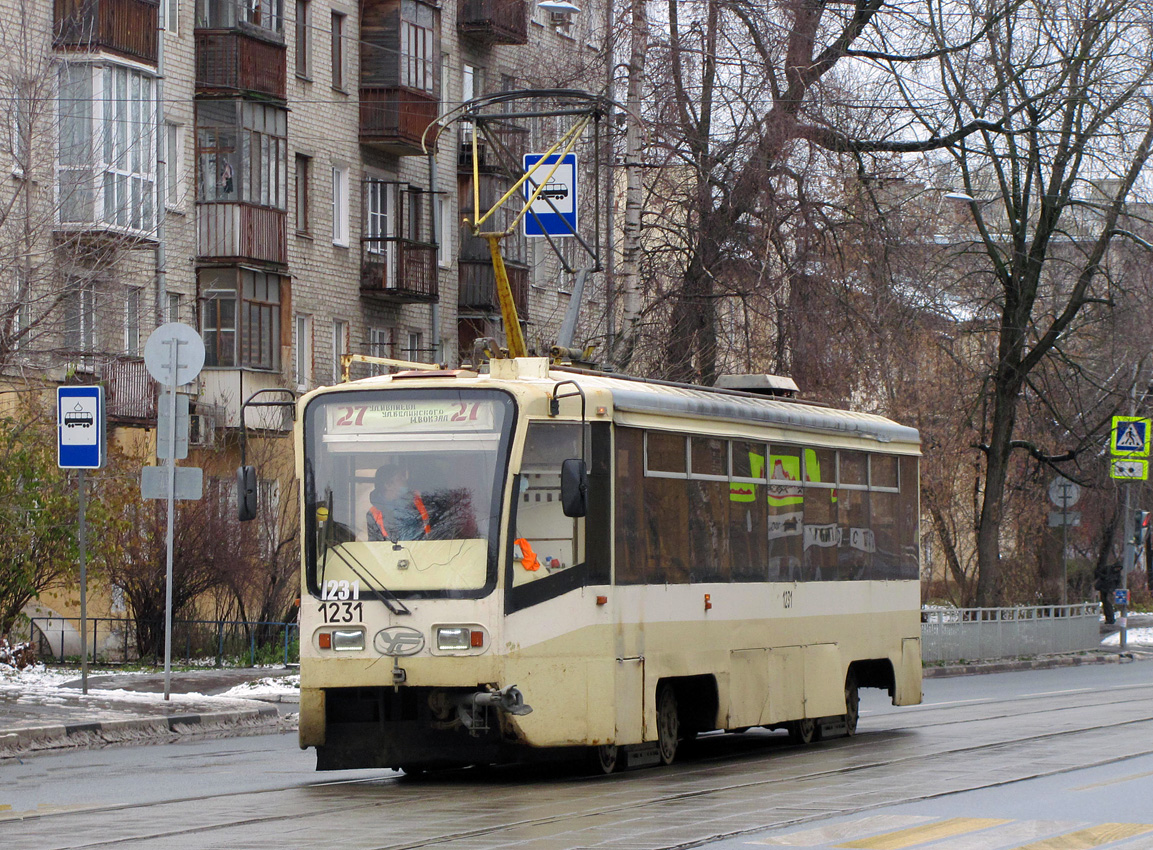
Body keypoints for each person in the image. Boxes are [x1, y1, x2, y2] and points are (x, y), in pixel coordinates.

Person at [365, 466, 432, 542]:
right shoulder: (373, 514)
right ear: (388, 485)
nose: (405, 480)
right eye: (400, 478)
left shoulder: (418, 502)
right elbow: (376, 545)